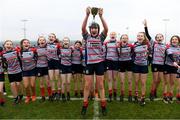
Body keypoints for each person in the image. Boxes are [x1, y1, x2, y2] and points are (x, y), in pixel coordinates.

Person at [81, 7, 108, 115]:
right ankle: (84, 105)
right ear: (90, 29)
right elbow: (82, 28)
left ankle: (103, 106)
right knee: (87, 85)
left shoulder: (101, 38)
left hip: (99, 64)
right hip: (89, 64)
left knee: (100, 86)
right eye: (92, 28)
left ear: (98, 29)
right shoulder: (87, 37)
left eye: (95, 28)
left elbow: (106, 29)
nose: (93, 30)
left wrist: (101, 17)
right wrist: (87, 15)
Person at [143, 19, 167, 101]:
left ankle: (155, 90)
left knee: (160, 80)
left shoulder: (165, 46)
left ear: (163, 38)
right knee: (155, 80)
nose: (159, 38)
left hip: (162, 65)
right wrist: (146, 26)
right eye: (158, 37)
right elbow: (147, 35)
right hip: (155, 64)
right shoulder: (154, 43)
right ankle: (152, 93)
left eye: (160, 37)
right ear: (156, 39)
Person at [2, 40, 23, 105]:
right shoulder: (2, 54)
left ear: (12, 46)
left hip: (18, 71)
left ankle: (21, 94)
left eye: (10, 44)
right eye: (7, 44)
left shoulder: (16, 52)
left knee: (18, 84)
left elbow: (21, 60)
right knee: (12, 85)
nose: (9, 45)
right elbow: (4, 64)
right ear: (4, 45)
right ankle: (16, 98)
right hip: (10, 72)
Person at [132, 32, 150, 106]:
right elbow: (132, 54)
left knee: (143, 83)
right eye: (138, 36)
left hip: (144, 66)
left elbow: (151, 52)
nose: (140, 37)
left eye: (141, 36)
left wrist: (149, 59)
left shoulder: (147, 44)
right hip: (136, 65)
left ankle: (142, 98)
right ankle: (136, 96)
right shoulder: (134, 45)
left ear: (144, 37)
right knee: (136, 82)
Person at [19, 39, 37, 103]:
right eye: (24, 42)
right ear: (22, 44)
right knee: (26, 86)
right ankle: (28, 96)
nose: (26, 44)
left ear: (29, 44)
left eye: (28, 42)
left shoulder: (33, 51)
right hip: (24, 70)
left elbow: (37, 59)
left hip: (33, 69)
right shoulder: (19, 52)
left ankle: (34, 95)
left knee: (32, 85)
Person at [164, 35, 180, 103]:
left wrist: (178, 63)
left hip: (175, 67)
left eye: (176, 39)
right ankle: (165, 96)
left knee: (172, 82)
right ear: (171, 41)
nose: (174, 40)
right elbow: (170, 55)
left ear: (178, 41)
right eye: (173, 39)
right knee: (166, 82)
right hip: (167, 66)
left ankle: (170, 95)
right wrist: (174, 62)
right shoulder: (168, 47)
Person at [118, 34, 133, 102]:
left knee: (129, 80)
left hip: (129, 63)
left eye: (126, 38)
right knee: (122, 81)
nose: (124, 39)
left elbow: (133, 53)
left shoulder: (131, 46)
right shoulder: (117, 46)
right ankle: (122, 94)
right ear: (121, 39)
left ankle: (130, 94)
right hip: (121, 63)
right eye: (123, 38)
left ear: (128, 39)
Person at [36, 36, 52, 102]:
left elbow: (50, 57)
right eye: (40, 40)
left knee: (48, 82)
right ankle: (43, 96)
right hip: (39, 67)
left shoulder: (48, 48)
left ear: (45, 42)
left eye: (43, 40)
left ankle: (50, 95)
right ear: (38, 41)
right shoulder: (35, 49)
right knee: (41, 82)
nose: (42, 41)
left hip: (46, 67)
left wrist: (47, 54)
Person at [47, 33, 61, 101]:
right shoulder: (46, 45)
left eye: (52, 37)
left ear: (55, 38)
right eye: (50, 37)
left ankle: (58, 92)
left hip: (56, 63)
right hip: (50, 63)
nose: (51, 37)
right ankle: (53, 92)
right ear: (48, 38)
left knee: (57, 78)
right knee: (51, 78)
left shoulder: (58, 45)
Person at [59, 37, 72, 101]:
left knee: (68, 82)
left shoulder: (71, 49)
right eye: (64, 41)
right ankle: (63, 94)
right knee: (63, 82)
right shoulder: (59, 49)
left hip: (69, 66)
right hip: (62, 66)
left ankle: (68, 94)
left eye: (67, 41)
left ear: (69, 42)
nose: (66, 42)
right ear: (62, 42)